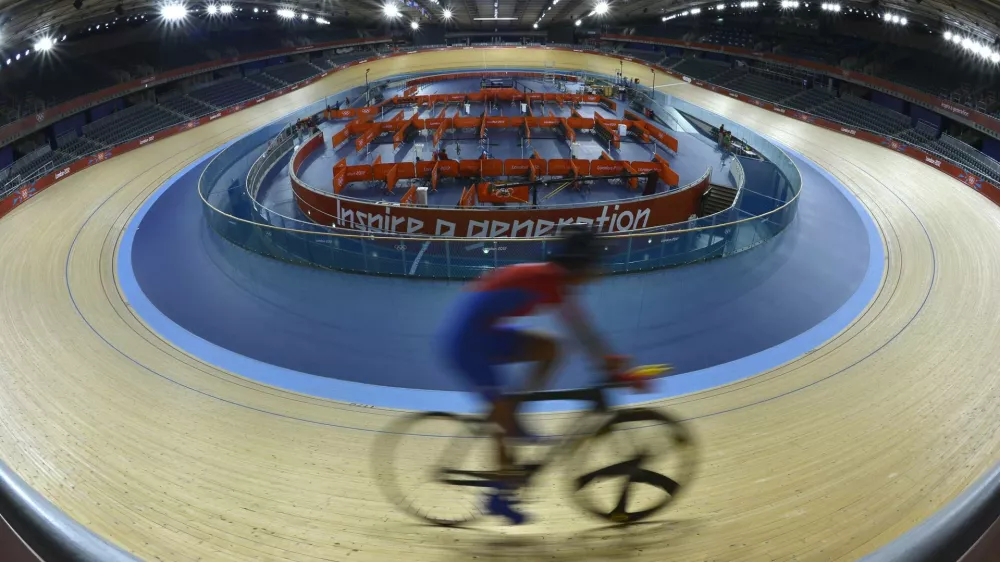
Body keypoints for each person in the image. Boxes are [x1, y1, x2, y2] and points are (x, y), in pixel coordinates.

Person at [440, 225, 627, 524]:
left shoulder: (554, 278)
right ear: (581, 264)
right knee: (502, 416)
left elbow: (580, 330)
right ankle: (497, 497)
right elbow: (581, 328)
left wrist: (608, 360)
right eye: (594, 265)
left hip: (485, 331)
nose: (598, 272)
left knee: (550, 349)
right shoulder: (551, 280)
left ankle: (513, 412)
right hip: (466, 342)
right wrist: (609, 361)